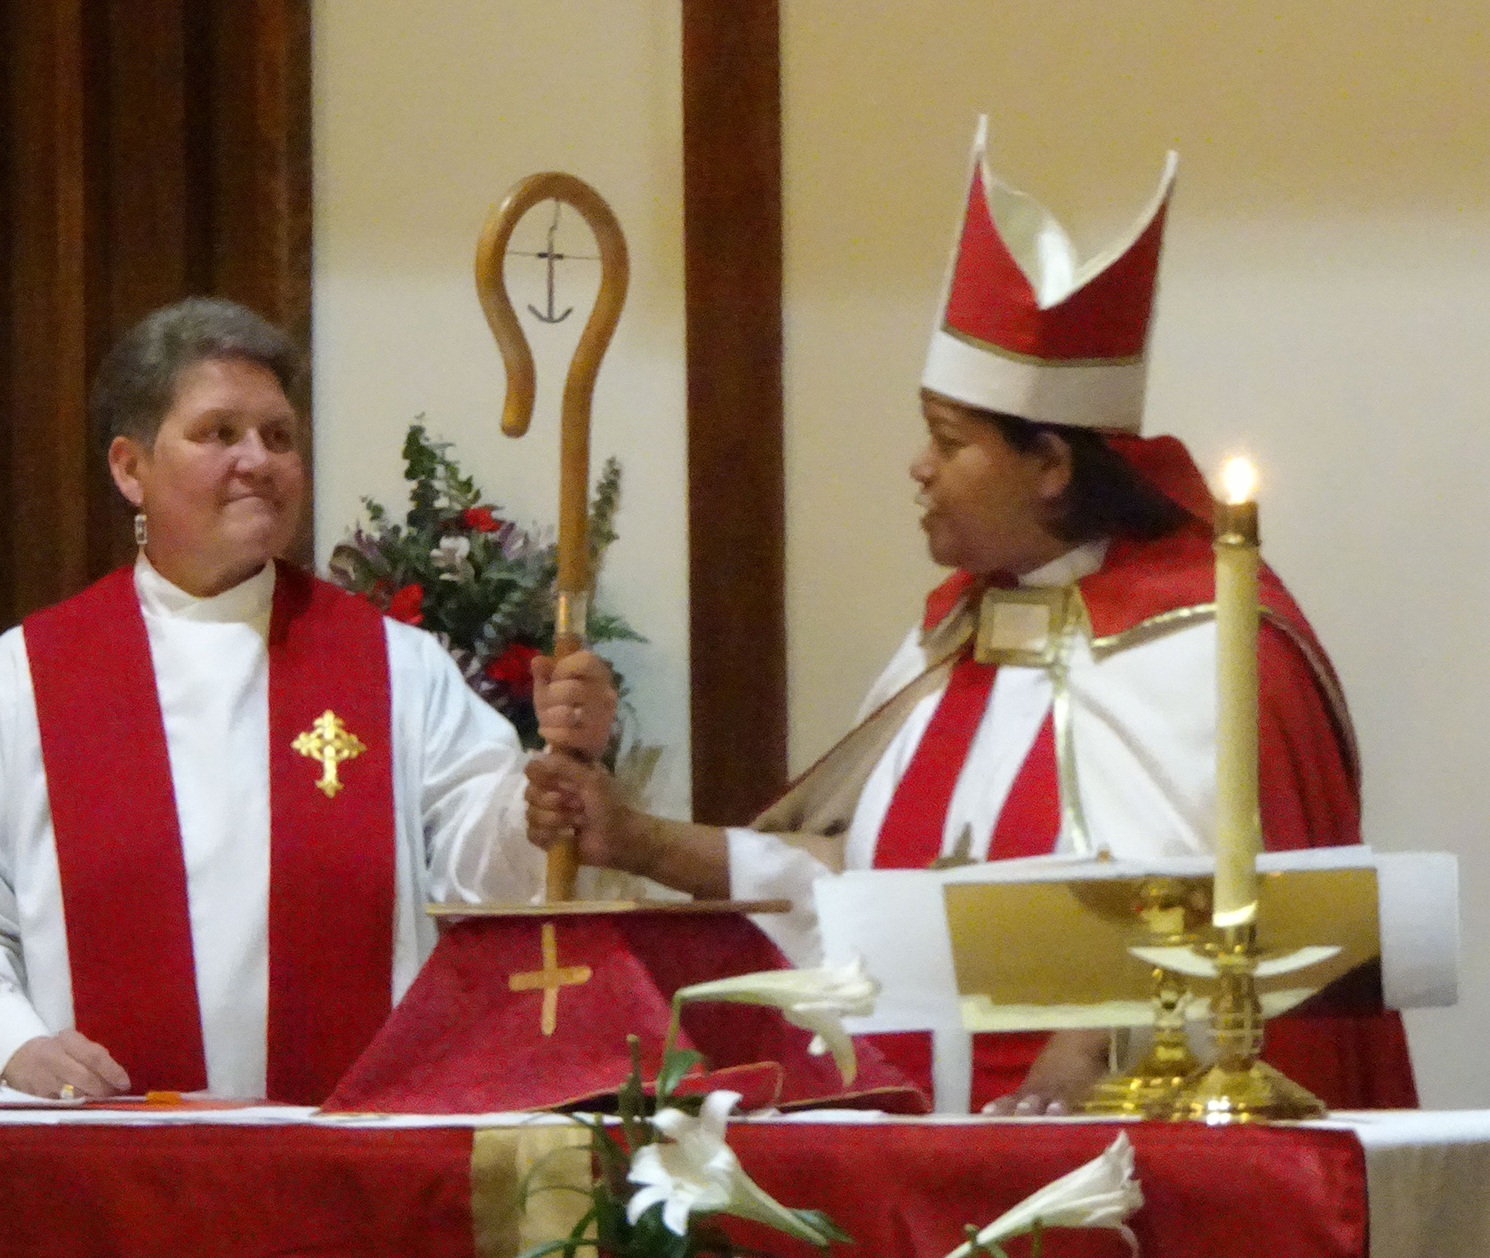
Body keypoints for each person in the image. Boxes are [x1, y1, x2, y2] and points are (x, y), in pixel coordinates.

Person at [526, 119, 1417, 1114]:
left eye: (948, 441)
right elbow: (860, 901)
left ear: (1050, 465)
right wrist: (641, 839)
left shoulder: (1202, 647)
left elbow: (1253, 937)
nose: (918, 465)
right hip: (914, 1165)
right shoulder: (952, 637)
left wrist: (1094, 1044)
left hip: (1115, 1188)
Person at [0, 297, 615, 1103]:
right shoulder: (27, 677)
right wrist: (13, 1043)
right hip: (101, 1169)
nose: (259, 459)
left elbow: (483, 876)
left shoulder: (393, 666)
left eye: (278, 436)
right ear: (129, 468)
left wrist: (553, 784)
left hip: (342, 1159)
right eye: (220, 433)